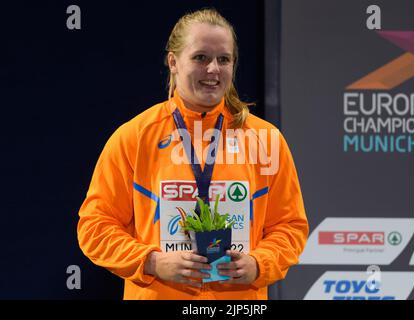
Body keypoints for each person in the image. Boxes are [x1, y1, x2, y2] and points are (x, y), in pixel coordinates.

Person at [77, 8, 308, 300]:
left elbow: (290, 227)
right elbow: (94, 226)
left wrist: (259, 263)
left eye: (223, 59)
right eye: (200, 57)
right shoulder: (134, 137)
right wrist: (152, 262)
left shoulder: (265, 140)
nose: (213, 69)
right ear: (173, 62)